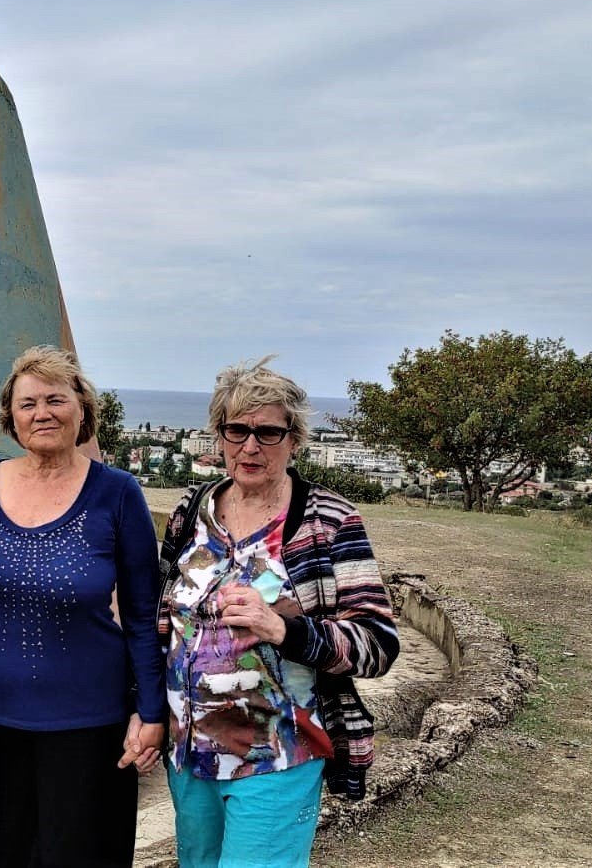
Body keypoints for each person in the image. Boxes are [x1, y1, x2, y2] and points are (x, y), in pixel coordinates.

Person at [0, 345, 166, 867]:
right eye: (27, 404)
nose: (42, 413)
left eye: (55, 399)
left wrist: (152, 711)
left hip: (89, 723)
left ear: (82, 410)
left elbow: (144, 615)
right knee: (1, 856)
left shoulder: (117, 493)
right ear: (11, 417)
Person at [157, 357, 399, 868]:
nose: (250, 446)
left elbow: (378, 643)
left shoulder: (328, 521)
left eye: (268, 432)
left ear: (294, 440)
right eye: (237, 430)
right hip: (188, 755)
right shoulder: (192, 510)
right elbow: (161, 618)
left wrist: (282, 629)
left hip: (276, 756)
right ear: (219, 435)